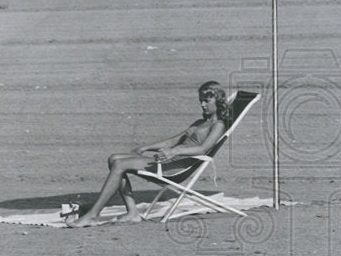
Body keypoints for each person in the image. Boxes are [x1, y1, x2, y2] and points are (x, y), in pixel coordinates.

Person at [67, 81, 232, 227]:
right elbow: (173, 141)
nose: (203, 105)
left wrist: (175, 151)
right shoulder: (200, 123)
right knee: (114, 158)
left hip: (176, 168)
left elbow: (203, 149)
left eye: (207, 101)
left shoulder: (218, 125)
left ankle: (93, 215)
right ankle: (132, 213)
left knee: (120, 165)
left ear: (217, 100)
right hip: (168, 160)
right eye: (201, 101)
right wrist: (146, 148)